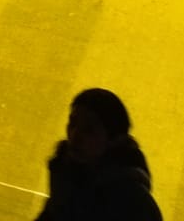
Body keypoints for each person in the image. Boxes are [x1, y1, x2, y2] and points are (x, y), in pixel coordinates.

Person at [34, 88, 163, 220]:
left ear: (114, 139)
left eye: (89, 130)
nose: (75, 135)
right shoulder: (66, 177)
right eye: (73, 122)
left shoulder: (135, 204)